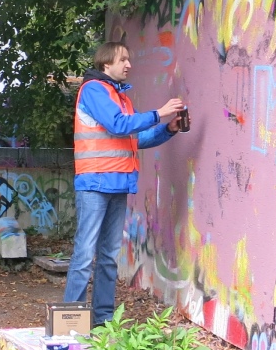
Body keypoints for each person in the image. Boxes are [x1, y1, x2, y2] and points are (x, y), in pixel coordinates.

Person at [65, 41, 186, 327]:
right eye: (123, 60)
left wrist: (167, 129)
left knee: (108, 257)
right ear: (106, 63)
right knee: (84, 255)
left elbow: (133, 139)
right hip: (95, 183)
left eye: (128, 59)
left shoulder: (120, 98)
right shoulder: (93, 89)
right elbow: (119, 125)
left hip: (117, 184)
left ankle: (104, 321)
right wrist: (159, 113)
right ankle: (70, 322)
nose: (129, 65)